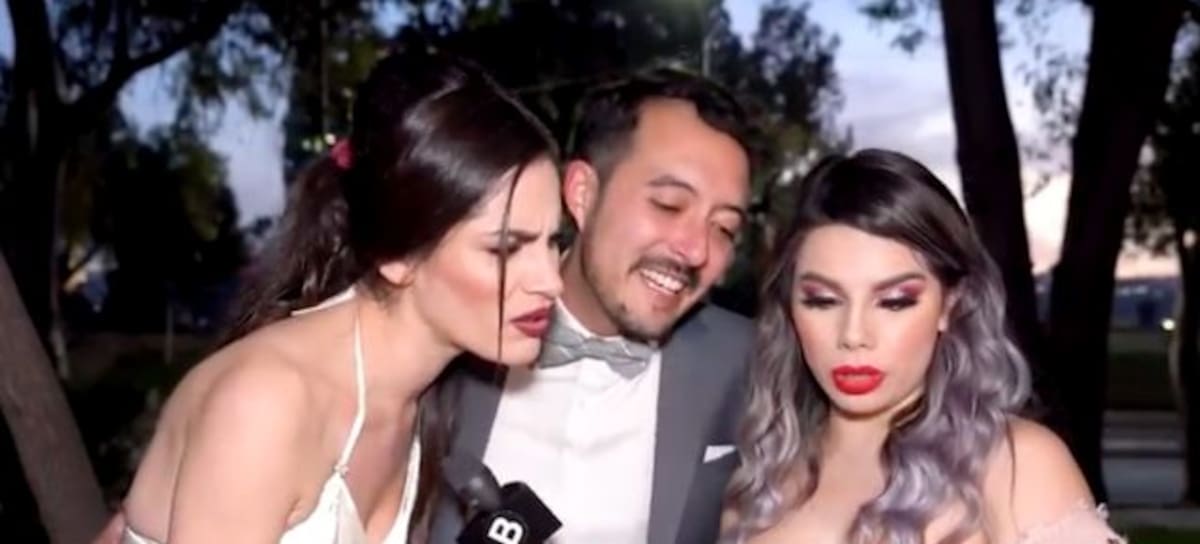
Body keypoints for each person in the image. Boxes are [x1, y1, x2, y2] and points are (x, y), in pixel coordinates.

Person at [112, 50, 564, 543]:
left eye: (553, 242)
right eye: (506, 248)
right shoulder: (267, 404)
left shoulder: (416, 403)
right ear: (398, 254)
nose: (551, 281)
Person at [722, 149, 1125, 544]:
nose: (854, 334)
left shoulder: (1017, 467)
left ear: (950, 305)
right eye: (823, 301)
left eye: (894, 301)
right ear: (789, 308)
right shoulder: (758, 484)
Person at [430, 69, 755, 543]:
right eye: (668, 204)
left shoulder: (746, 361)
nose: (696, 250)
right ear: (583, 194)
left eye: (724, 228)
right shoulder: (456, 334)